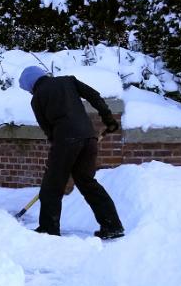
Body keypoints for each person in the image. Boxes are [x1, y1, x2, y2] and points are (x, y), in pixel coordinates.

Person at [18, 66, 125, 240]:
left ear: (31, 85)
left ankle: (48, 230)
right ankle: (112, 225)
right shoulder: (68, 81)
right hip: (89, 138)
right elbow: (94, 96)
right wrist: (108, 119)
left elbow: (48, 129)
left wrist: (59, 155)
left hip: (65, 140)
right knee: (87, 182)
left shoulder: (37, 99)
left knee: (52, 186)